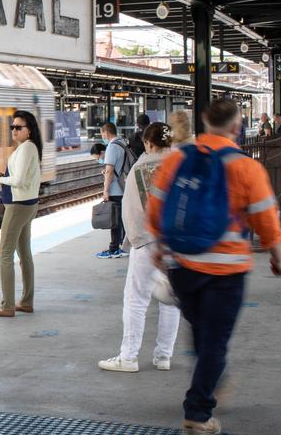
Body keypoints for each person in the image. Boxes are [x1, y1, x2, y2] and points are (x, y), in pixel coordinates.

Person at [148, 99, 281, 434]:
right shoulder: (245, 166)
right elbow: (265, 217)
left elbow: (157, 207)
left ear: (206, 123)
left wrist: (159, 246)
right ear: (236, 127)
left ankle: (211, 380)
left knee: (201, 333)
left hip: (183, 268)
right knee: (215, 343)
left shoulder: (177, 159)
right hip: (226, 271)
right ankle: (197, 412)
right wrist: (276, 255)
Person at [99, 122, 181, 374]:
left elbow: (133, 209)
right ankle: (164, 356)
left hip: (148, 241)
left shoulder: (141, 168)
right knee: (170, 299)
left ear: (148, 143)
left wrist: (135, 240)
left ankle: (129, 357)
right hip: (178, 242)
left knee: (136, 300)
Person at [0, 111, 42, 317]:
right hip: (27, 203)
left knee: (5, 253)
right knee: (24, 253)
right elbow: (21, 177)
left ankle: (7, 305)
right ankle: (26, 302)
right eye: (12, 127)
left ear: (29, 130)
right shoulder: (28, 148)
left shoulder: (27, 148)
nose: (14, 130)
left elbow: (17, 181)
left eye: (19, 127)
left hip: (18, 206)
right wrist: (4, 176)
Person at [96, 122, 129, 259]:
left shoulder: (112, 146)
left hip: (115, 189)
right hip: (123, 186)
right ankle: (121, 245)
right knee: (120, 219)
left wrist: (105, 190)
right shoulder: (122, 143)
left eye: (102, 134)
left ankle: (114, 249)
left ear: (106, 133)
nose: (102, 136)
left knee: (114, 220)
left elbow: (109, 171)